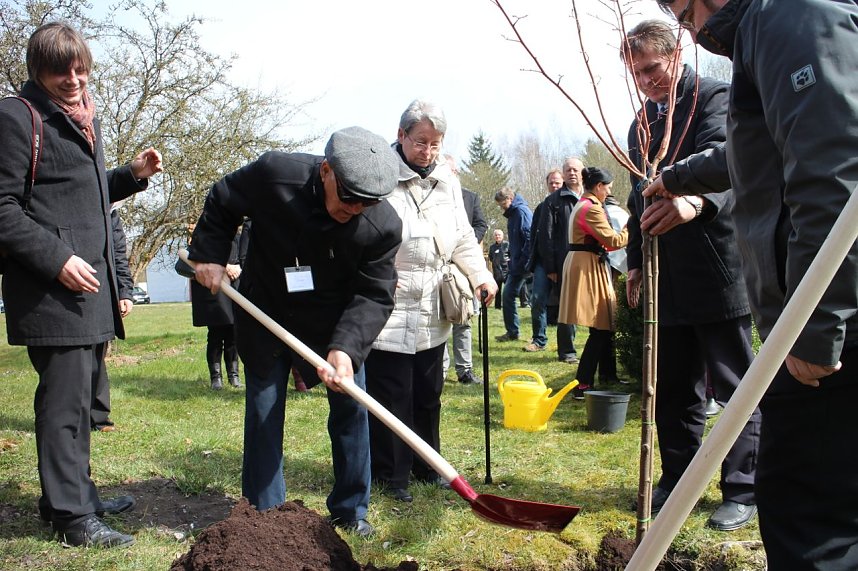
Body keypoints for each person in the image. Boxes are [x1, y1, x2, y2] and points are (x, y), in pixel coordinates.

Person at [649, 0, 858, 565]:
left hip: (831, 325)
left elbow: (834, 174)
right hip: (818, 313)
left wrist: (816, 329)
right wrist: (674, 177)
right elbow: (753, 150)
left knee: (808, 517)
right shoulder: (766, 32)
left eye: (680, 8)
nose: (686, 25)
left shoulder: (794, 18)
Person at [189, 126, 403, 538]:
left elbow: (374, 295)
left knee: (351, 410)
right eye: (349, 198)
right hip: (265, 309)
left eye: (367, 202)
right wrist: (210, 255)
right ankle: (264, 514)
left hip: (334, 324)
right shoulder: (274, 175)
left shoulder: (383, 226)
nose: (356, 209)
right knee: (265, 410)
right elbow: (223, 199)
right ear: (326, 171)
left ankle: (351, 510)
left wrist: (345, 349)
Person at [0, 22, 162, 548]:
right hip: (53, 293)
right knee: (63, 407)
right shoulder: (16, 117)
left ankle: (73, 497)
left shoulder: (81, 116)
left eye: (81, 67)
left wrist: (130, 176)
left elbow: (81, 194)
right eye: (60, 70)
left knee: (81, 401)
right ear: (37, 71)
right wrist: (57, 259)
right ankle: (73, 519)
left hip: (87, 290)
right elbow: (2, 208)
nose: (74, 79)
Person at [623, 18, 760, 531]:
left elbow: (735, 167)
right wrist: (635, 261)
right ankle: (678, 479)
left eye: (652, 68)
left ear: (677, 54)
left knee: (733, 384)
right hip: (665, 277)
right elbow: (639, 196)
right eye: (636, 74)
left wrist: (695, 203)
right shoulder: (642, 123)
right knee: (674, 386)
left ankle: (743, 488)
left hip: (717, 266)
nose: (646, 81)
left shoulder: (714, 99)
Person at [365, 100, 496, 504]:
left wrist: (481, 276)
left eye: (435, 144)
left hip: (432, 305)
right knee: (392, 395)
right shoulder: (379, 176)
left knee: (428, 391)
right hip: (388, 303)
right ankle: (391, 476)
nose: (428, 151)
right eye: (420, 142)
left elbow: (461, 237)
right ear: (401, 136)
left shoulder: (447, 180)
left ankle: (427, 465)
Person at [558, 168, 628, 398]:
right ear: (598, 186)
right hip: (586, 265)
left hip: (588, 262)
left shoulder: (584, 204)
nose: (609, 191)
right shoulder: (591, 208)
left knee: (603, 324)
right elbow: (614, 241)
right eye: (607, 187)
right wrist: (633, 226)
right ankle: (582, 384)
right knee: (599, 327)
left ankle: (607, 375)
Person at [525, 165, 580, 365]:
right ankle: (539, 339)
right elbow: (540, 237)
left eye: (557, 182)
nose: (555, 185)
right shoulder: (544, 205)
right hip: (543, 262)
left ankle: (568, 347)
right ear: (547, 185)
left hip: (565, 261)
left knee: (568, 303)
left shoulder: (576, 202)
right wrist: (546, 266)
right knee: (538, 299)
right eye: (551, 183)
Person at [442, 154, 488, 386]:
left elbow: (481, 224)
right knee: (439, 321)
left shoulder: (470, 197)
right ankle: (440, 371)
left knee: (464, 317)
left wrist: (466, 242)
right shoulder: (431, 196)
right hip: (439, 266)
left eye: (453, 171)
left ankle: (465, 370)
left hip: (462, 267)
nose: (450, 175)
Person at [90, 206, 134, 432]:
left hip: (102, 292)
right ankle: (71, 416)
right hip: (65, 290)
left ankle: (99, 417)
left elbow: (118, 255)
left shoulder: (111, 213)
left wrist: (125, 292)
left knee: (97, 356)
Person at [190, 226, 242, 390]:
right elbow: (199, 257)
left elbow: (245, 255)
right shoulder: (207, 232)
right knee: (216, 333)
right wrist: (226, 266)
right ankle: (216, 378)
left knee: (233, 334)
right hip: (214, 287)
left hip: (235, 285)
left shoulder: (240, 234)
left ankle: (234, 376)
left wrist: (239, 267)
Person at [494, 186, 532, 342]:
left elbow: (529, 238)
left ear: (509, 199)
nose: (501, 207)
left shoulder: (521, 213)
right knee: (508, 295)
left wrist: (523, 261)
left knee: (512, 295)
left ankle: (531, 336)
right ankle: (513, 331)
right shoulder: (513, 214)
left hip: (524, 264)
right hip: (517, 263)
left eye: (502, 203)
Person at [488, 229, 509, 309]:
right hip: (496, 271)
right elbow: (490, 257)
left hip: (506, 270)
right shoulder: (492, 247)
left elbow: (511, 255)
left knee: (507, 290)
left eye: (499, 235)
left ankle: (507, 305)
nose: (497, 236)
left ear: (502, 236)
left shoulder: (507, 245)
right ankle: (497, 306)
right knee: (497, 290)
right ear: (494, 237)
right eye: (496, 235)